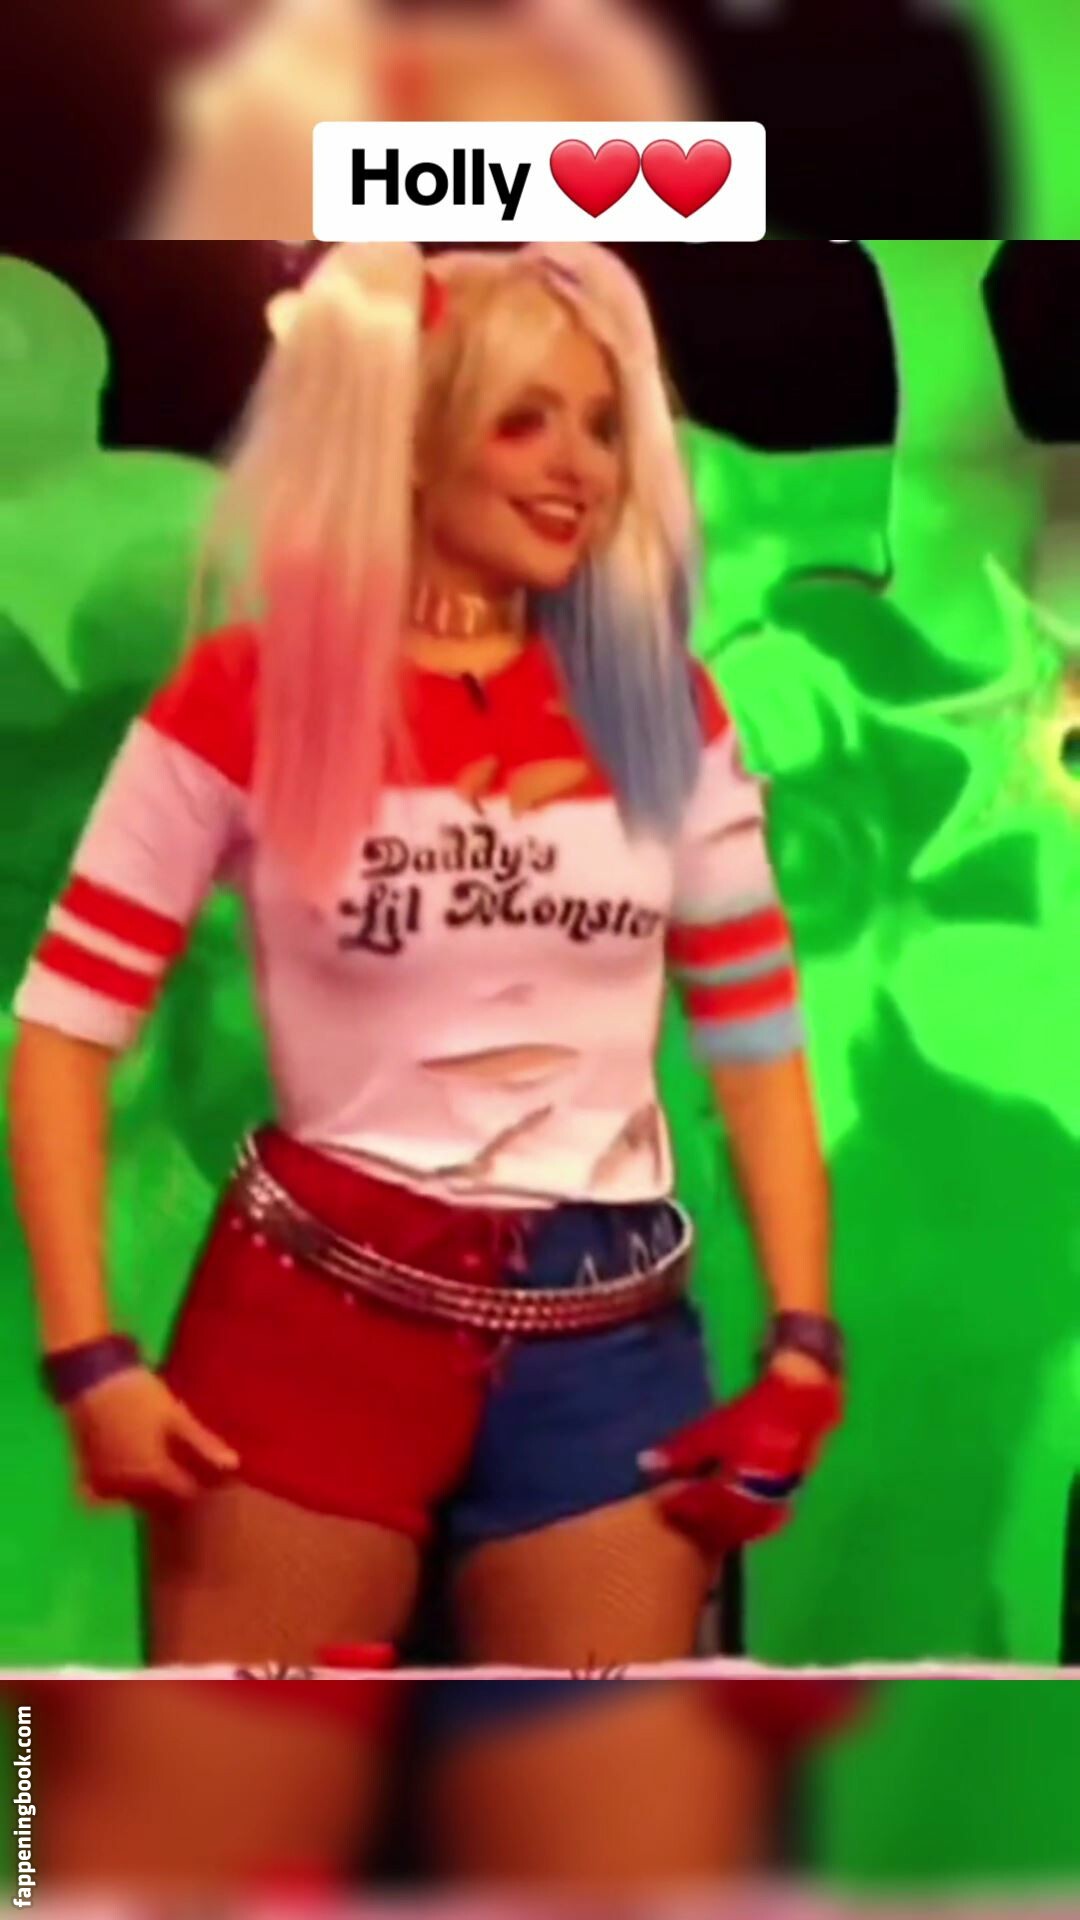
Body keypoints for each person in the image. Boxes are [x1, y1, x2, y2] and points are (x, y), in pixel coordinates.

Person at [9, 239, 842, 1880]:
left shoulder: (664, 713)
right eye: (526, 420)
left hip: (608, 1352)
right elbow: (63, 1029)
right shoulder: (248, 695)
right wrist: (90, 1358)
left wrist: (804, 1342)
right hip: (307, 1335)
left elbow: (754, 1035)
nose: (578, 467)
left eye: (600, 425)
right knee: (206, 1872)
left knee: (612, 1880)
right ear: (407, 439)